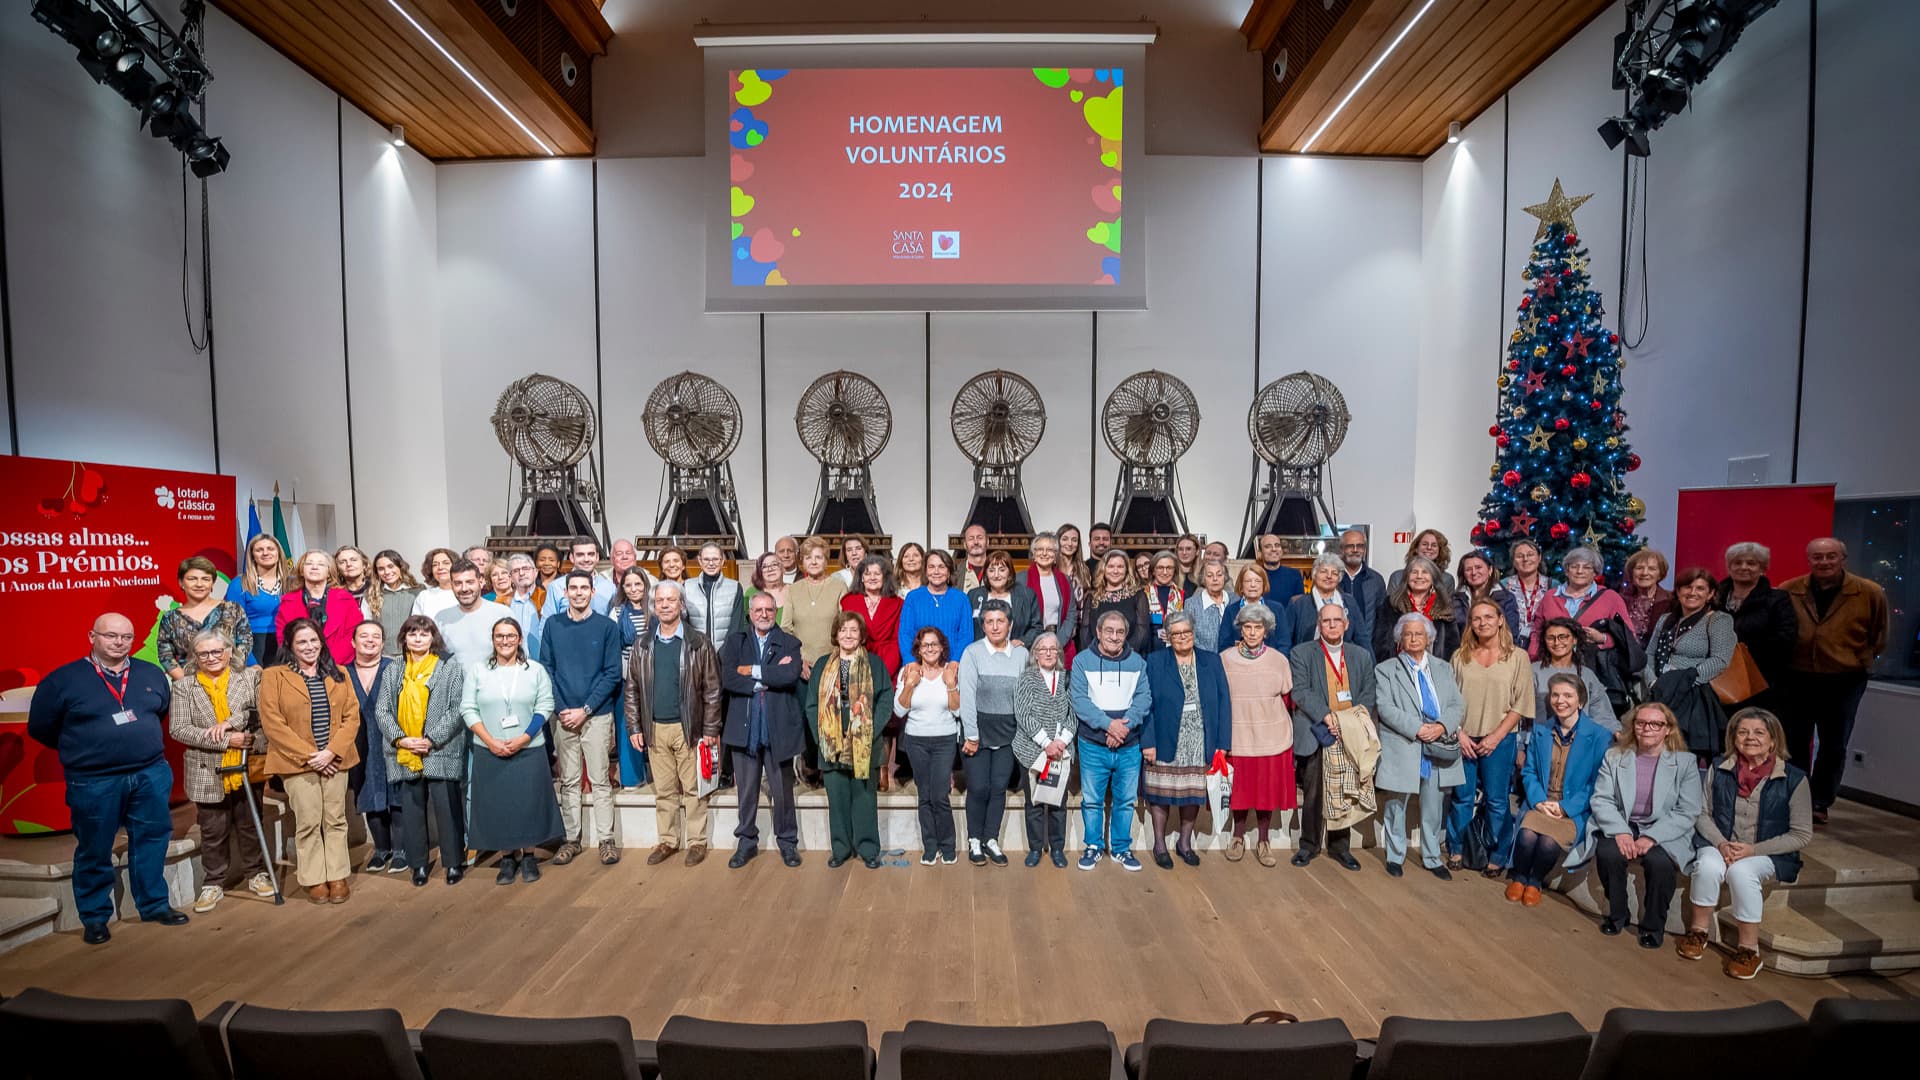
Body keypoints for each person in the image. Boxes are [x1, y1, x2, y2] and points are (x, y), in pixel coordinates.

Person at [30, 614, 188, 943]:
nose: (119, 643)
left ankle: (155, 904)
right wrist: (89, 748)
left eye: (127, 637)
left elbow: (158, 711)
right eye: (111, 636)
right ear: (92, 636)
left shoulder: (150, 674)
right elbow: (42, 727)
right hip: (94, 780)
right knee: (94, 847)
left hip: (149, 773)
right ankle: (95, 916)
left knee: (152, 840)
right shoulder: (63, 680)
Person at [1678, 707, 1813, 979]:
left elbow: (1801, 835)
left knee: (1742, 872)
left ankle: (1749, 950)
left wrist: (1753, 850)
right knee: (1706, 866)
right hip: (1721, 843)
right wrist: (1720, 843)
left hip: (1767, 852)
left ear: (1773, 740)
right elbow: (1701, 813)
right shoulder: (1720, 767)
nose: (1750, 737)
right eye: (1743, 732)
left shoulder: (1795, 779)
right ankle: (1698, 932)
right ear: (1733, 737)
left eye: (1759, 732)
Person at [1781, 537, 1889, 824]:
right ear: (1809, 560)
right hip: (1798, 677)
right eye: (1818, 557)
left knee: (1834, 743)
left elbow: (1879, 636)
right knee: (1795, 741)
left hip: (1845, 680)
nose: (1824, 562)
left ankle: (1820, 800)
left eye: (1830, 556)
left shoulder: (1868, 592)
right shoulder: (1790, 590)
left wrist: (1857, 661)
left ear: (1843, 558)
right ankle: (1797, 799)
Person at [257, 618, 361, 906]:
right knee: (308, 821)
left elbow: (352, 716)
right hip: (297, 763)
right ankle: (315, 878)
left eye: (314, 640)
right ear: (289, 645)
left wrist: (331, 752)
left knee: (336, 819)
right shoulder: (273, 676)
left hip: (335, 760)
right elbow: (273, 724)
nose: (310, 646)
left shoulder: (339, 673)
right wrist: (311, 757)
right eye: (302, 641)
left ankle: (338, 874)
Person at [170, 631, 273, 912]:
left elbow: (256, 712)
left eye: (217, 652)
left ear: (229, 652)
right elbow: (179, 729)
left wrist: (229, 723)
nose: (211, 658)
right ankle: (213, 882)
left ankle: (256, 873)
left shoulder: (249, 678)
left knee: (250, 822)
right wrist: (227, 739)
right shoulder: (183, 687)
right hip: (206, 767)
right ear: (195, 657)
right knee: (213, 829)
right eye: (203, 654)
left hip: (245, 762)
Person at [625, 580, 723, 868]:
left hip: (688, 728)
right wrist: (634, 726)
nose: (665, 605)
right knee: (664, 790)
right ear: (653, 607)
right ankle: (668, 840)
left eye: (671, 600)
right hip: (655, 728)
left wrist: (710, 730)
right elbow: (631, 688)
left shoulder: (698, 643)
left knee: (694, 789)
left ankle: (696, 842)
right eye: (660, 601)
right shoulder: (642, 644)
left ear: (682, 604)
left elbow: (713, 690)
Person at [1589, 702, 1701, 949]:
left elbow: (1688, 810)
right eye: (1641, 723)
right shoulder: (1615, 756)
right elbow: (1602, 798)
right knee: (1608, 853)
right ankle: (1618, 914)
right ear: (1633, 726)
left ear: (1668, 729)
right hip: (1624, 822)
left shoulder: (1685, 763)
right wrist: (1620, 831)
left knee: (1659, 863)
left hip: (1665, 828)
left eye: (1655, 724)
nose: (1647, 729)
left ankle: (1653, 926)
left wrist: (1651, 838)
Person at [463, 617, 562, 885]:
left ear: (519, 639)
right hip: (489, 747)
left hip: (528, 747)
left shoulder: (535, 670)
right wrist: (490, 739)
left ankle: (528, 855)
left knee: (527, 803)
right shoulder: (479, 670)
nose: (505, 641)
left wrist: (524, 737)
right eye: (499, 636)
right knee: (500, 805)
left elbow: (545, 704)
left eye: (510, 636)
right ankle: (507, 858)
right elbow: (468, 708)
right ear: (493, 640)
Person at [538, 571, 623, 867]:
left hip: (596, 714)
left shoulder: (606, 627)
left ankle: (606, 840)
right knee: (570, 781)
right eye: (572, 588)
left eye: (583, 588)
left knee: (600, 780)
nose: (577, 593)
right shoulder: (552, 625)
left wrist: (585, 709)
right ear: (564, 593)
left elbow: (613, 673)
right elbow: (546, 670)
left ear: (592, 591)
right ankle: (571, 839)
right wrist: (563, 709)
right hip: (563, 715)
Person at [374, 616, 468, 886]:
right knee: (412, 811)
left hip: (440, 748)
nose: (417, 639)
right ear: (403, 638)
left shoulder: (449, 668)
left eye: (423, 634)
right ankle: (419, 866)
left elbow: (456, 708)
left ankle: (453, 863)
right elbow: (383, 710)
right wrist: (401, 739)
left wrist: (430, 739)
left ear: (433, 638)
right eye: (412, 634)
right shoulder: (393, 670)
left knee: (447, 809)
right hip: (405, 750)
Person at [1449, 599, 1536, 878]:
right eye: (1476, 618)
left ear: (1500, 620)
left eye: (1488, 616)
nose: (1482, 622)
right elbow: (1448, 700)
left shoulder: (1517, 657)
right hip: (1463, 736)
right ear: (1470, 624)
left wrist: (1496, 737)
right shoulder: (1460, 656)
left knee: (1497, 800)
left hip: (1500, 738)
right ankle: (1457, 848)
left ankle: (1497, 855)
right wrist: (1459, 733)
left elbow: (1521, 704)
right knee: (1461, 797)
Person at [1505, 673, 1610, 907]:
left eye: (1567, 695)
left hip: (1573, 809)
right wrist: (1539, 801)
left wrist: (1564, 808)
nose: (1560, 700)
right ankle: (1520, 877)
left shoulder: (1600, 736)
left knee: (1548, 843)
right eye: (1555, 695)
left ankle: (1534, 881)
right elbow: (1529, 772)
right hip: (1542, 801)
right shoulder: (1542, 732)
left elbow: (1597, 783)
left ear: (1580, 701)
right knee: (1526, 836)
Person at [1375, 613, 1465, 880]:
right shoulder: (1386, 669)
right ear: (1400, 639)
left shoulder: (1443, 667)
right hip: (1405, 742)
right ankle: (1394, 856)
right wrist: (1418, 728)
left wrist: (1440, 726)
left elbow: (1456, 705)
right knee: (1396, 804)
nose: (1413, 638)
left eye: (1419, 634)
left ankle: (1432, 857)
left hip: (1437, 742)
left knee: (1433, 804)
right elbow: (1385, 707)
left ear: (1429, 638)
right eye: (1408, 634)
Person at [719, 591, 806, 868]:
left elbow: (789, 675)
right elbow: (729, 678)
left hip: (777, 730)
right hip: (745, 731)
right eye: (758, 610)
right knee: (746, 792)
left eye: (769, 610)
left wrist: (752, 671)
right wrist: (766, 677)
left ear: (776, 612)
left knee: (782, 792)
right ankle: (746, 842)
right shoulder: (735, 642)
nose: (764, 614)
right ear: (750, 613)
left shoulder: (789, 642)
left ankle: (788, 843)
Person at [1287, 604, 1376, 871]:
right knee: (1314, 792)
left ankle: (1340, 847)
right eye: (1327, 621)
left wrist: (1351, 722)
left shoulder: (1361, 656)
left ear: (1347, 624)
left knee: (1344, 791)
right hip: (1318, 729)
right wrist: (1329, 718)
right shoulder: (1301, 653)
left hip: (1350, 731)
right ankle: (1309, 845)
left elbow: (1368, 692)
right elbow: (1301, 691)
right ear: (1319, 624)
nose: (1333, 625)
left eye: (1338, 620)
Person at [1141, 611, 1231, 869]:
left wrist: (1223, 744)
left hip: (1200, 739)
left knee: (1192, 795)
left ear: (1194, 633)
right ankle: (1159, 844)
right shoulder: (1155, 661)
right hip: (1165, 737)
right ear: (1168, 637)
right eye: (1176, 634)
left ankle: (1184, 843)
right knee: (1161, 794)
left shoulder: (1211, 661)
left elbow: (1225, 702)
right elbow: (1145, 705)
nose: (1182, 637)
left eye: (1186, 632)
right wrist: (1147, 741)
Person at [808, 611, 893, 869]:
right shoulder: (822, 665)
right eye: (843, 630)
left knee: (865, 799)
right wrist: (822, 737)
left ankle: (868, 849)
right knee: (838, 800)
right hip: (831, 746)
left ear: (861, 635)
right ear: (835, 634)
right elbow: (812, 705)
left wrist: (868, 730)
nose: (848, 635)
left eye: (854, 630)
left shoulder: (875, 665)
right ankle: (841, 849)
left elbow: (885, 702)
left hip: (865, 744)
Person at [1071, 610, 1151, 872]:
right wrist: (1109, 726)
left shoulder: (1137, 662)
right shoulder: (1082, 661)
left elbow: (1143, 699)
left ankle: (1121, 848)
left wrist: (1122, 729)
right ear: (1098, 632)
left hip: (1128, 745)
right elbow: (1080, 702)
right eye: (1109, 631)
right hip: (1093, 743)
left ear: (1126, 635)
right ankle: (1093, 846)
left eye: (1119, 632)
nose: (1114, 637)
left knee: (1126, 800)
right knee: (1092, 800)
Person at [1219, 604, 1295, 866]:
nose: (1252, 633)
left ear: (1267, 631)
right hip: (1239, 735)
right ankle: (1237, 837)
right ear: (1240, 629)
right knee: (1240, 791)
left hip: (1271, 735)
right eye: (1247, 627)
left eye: (1258, 628)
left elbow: (1286, 697)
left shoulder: (1278, 660)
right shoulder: (1225, 658)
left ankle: (1263, 840)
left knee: (1265, 792)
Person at [958, 601, 1030, 866]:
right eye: (990, 621)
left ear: (1010, 624)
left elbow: (1024, 698)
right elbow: (966, 696)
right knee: (978, 787)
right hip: (978, 733)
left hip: (1009, 735)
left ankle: (991, 838)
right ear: (983, 625)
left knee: (999, 788)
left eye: (1001, 621)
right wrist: (972, 734)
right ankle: (974, 839)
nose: (996, 626)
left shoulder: (1021, 655)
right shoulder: (972, 652)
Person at [1531, 547, 1637, 717]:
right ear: (1566, 570)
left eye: (1587, 567)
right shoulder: (1551, 597)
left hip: (1593, 669)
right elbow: (1537, 629)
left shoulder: (1610, 598)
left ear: (1595, 572)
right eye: (1574, 566)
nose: (1579, 571)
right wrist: (1534, 657)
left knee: (1587, 717)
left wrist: (1602, 638)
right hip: (1553, 667)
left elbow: (1628, 636)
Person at [1644, 568, 1737, 761]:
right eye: (1687, 587)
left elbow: (1720, 660)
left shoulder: (1718, 620)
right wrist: (1653, 682)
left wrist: (1682, 682)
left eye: (1700, 588)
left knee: (1684, 758)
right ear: (1678, 591)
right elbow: (1649, 654)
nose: (1692, 593)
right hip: (1660, 692)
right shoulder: (1666, 619)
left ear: (1710, 594)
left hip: (1693, 697)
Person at [895, 626, 961, 865]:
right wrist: (910, 684)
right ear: (918, 649)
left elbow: (958, 710)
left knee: (940, 795)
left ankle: (948, 845)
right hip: (917, 740)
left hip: (944, 739)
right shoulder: (909, 672)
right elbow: (899, 710)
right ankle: (930, 846)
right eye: (925, 645)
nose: (930, 649)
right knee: (925, 795)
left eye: (934, 644)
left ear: (942, 648)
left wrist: (951, 684)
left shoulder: (950, 673)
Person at [345, 620, 402, 876]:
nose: (370, 640)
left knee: (398, 796)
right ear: (353, 642)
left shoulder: (395, 668)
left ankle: (402, 850)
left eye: (376, 636)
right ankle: (382, 850)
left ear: (383, 642)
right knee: (368, 795)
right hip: (359, 745)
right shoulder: (342, 674)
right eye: (364, 636)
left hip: (392, 742)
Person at [1013, 632, 1075, 868]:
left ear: (1058, 653)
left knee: (1059, 802)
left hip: (1061, 751)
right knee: (1035, 803)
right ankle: (1035, 848)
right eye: (1043, 649)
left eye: (1053, 649)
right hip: (1032, 751)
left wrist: (1060, 742)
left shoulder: (1066, 678)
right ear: (1035, 654)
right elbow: (1023, 714)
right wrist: (1045, 743)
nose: (1048, 653)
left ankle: (1057, 849)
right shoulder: (1026, 679)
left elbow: (1074, 714)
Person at [1714, 542, 1798, 715]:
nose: (1744, 567)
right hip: (1717, 681)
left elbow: (1785, 639)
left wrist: (1742, 650)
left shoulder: (1777, 600)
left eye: (1751, 563)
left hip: (1761, 685)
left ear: (1762, 568)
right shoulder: (1714, 598)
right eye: (1737, 563)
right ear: (1729, 567)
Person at [157, 556, 251, 679]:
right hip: (189, 686)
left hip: (230, 681)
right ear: (181, 582)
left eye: (206, 579)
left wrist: (228, 676)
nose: (199, 584)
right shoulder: (170, 618)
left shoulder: (232, 609)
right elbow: (165, 655)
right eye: (192, 579)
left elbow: (245, 642)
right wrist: (187, 683)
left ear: (212, 583)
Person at [1533, 616, 1619, 733]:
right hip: (1539, 739)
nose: (1557, 642)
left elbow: (1601, 714)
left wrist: (1618, 734)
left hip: (1579, 741)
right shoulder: (1532, 671)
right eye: (1551, 638)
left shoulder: (1587, 675)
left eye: (1563, 637)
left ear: (1574, 639)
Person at [276, 549, 361, 665]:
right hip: (300, 666)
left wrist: (328, 662)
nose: (314, 567)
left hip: (338, 665)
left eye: (321, 564)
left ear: (329, 571)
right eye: (309, 563)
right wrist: (305, 662)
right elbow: (283, 638)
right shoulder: (288, 601)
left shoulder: (345, 599)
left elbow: (353, 635)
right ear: (301, 570)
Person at [610, 566, 653, 789]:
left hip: (655, 677)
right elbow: (612, 647)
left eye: (638, 584)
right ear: (623, 588)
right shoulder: (617, 612)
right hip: (627, 678)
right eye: (629, 585)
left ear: (646, 586)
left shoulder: (655, 610)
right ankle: (631, 778)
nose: (634, 588)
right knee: (628, 727)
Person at [432, 560, 513, 672]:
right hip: (455, 688)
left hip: (495, 687)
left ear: (480, 582)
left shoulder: (502, 614)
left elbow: (520, 655)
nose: (464, 589)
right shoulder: (441, 618)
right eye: (458, 583)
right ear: (452, 585)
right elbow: (435, 660)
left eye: (470, 582)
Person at [1376, 556, 1460, 662]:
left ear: (1433, 578)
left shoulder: (1444, 605)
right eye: (1414, 572)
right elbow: (1381, 642)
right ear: (1407, 577)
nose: (1419, 576)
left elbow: (1452, 645)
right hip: (1397, 668)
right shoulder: (1392, 603)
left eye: (1425, 572)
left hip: (1435, 669)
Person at [788, 537, 850, 679]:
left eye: (818, 557)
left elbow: (845, 625)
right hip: (801, 666)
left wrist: (838, 658)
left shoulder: (839, 587)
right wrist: (798, 660)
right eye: (808, 558)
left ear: (826, 561)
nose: (813, 562)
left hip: (834, 663)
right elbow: (786, 628)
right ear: (802, 562)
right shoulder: (793, 590)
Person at [898, 549, 973, 663]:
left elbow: (966, 636)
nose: (936, 571)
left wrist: (955, 661)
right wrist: (910, 661)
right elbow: (905, 634)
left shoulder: (961, 599)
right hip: (919, 664)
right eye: (931, 567)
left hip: (953, 664)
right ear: (926, 571)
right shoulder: (913, 598)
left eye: (941, 567)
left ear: (949, 571)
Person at [230, 534, 290, 666]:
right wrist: (250, 661)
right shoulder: (240, 584)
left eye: (270, 548)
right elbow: (232, 626)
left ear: (279, 553)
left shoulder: (292, 583)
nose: (265, 553)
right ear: (252, 556)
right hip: (252, 646)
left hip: (287, 645)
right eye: (259, 550)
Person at [1080, 550, 1152, 657]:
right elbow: (1085, 632)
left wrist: (1123, 653)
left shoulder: (1138, 595)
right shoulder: (1092, 597)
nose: (1115, 571)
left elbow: (1142, 630)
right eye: (1111, 566)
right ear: (1103, 569)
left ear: (1127, 570)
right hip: (1097, 657)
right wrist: (1097, 653)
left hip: (1129, 656)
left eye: (1120, 567)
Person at [968, 550, 1040, 647]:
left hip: (1014, 653)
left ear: (1009, 573)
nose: (996, 575)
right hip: (981, 655)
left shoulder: (1027, 595)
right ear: (986, 573)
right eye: (992, 570)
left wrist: (1023, 641)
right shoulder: (974, 595)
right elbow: (966, 628)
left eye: (1002, 570)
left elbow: (1037, 627)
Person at [1500, 538, 1557, 652]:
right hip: (1509, 646)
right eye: (1520, 556)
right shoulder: (1503, 586)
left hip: (1544, 647)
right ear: (1513, 561)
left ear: (1539, 558)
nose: (1525, 559)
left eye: (1530, 554)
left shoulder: (1553, 585)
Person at [1222, 562, 1292, 652]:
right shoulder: (1230, 611)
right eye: (1248, 581)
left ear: (1264, 585)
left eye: (1257, 581)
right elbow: (1224, 646)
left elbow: (1284, 644)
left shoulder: (1277, 609)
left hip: (1271, 663)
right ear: (1241, 586)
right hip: (1238, 664)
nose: (1253, 585)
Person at [685, 542, 747, 645]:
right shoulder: (687, 587)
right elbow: (684, 624)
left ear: (722, 561)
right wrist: (697, 650)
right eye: (706, 559)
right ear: (700, 561)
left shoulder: (735, 587)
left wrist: (725, 653)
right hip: (696, 653)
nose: (711, 563)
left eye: (715, 559)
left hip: (725, 655)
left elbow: (736, 626)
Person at [1337, 529, 1387, 652]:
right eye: (1350, 546)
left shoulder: (1376, 580)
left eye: (1360, 546)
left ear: (1364, 549)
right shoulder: (1332, 578)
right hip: (1336, 646)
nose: (1355, 550)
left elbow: (1382, 619)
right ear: (1342, 549)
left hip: (1367, 648)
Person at [541, 536, 617, 617]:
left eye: (590, 554)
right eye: (580, 555)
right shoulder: (556, 587)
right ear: (571, 557)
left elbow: (614, 623)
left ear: (597, 557)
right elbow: (546, 625)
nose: (586, 559)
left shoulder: (610, 588)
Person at [1455, 551, 1521, 640]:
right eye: (1468, 569)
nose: (1474, 572)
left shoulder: (1506, 598)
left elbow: (1511, 633)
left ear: (1490, 570)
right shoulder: (1455, 599)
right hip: (1464, 650)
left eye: (1478, 567)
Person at [1287, 553, 1349, 648]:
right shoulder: (1298, 603)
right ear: (1314, 575)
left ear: (1339, 578)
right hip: (1306, 659)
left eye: (1334, 573)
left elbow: (1362, 637)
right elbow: (1287, 639)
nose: (1329, 576)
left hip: (1344, 659)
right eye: (1324, 572)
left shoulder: (1349, 602)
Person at [372, 550, 422, 657]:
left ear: (400, 567)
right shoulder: (371, 595)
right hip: (382, 656)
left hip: (412, 654)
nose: (386, 572)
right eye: (381, 569)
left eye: (391, 566)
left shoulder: (418, 592)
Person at [1622, 549, 1673, 647]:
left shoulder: (1671, 601)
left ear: (1660, 574)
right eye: (1639, 568)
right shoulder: (1620, 599)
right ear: (1632, 573)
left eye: (1652, 569)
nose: (1645, 573)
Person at [501, 553, 546, 659]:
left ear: (535, 572)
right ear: (510, 577)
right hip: (512, 663)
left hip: (542, 662)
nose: (521, 573)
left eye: (526, 568)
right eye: (516, 571)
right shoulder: (501, 602)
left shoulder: (546, 598)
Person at [1388, 530, 1457, 595]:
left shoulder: (1447, 579)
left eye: (1434, 545)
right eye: (1424, 544)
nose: (1429, 547)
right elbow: (1389, 606)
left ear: (1440, 551)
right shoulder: (1397, 577)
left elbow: (1448, 606)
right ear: (1416, 549)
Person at [1143, 551, 1187, 650]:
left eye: (1169, 568)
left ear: (1174, 571)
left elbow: (1188, 625)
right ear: (1153, 571)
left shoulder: (1182, 595)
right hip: (1149, 649)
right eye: (1160, 568)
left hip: (1177, 648)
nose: (1165, 572)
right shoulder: (1142, 594)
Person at [1187, 559, 1233, 653]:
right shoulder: (1191, 604)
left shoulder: (1235, 600)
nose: (1215, 579)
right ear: (1203, 579)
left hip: (1233, 659)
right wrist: (1209, 658)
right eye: (1209, 575)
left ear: (1225, 577)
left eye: (1219, 575)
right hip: (1203, 659)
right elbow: (1190, 635)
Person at [744, 553, 792, 628]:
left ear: (783, 568)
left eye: (774, 564)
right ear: (760, 572)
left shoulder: (794, 590)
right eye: (764, 567)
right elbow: (743, 624)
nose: (770, 569)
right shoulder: (751, 592)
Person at [410, 547, 459, 619]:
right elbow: (416, 626)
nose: (440, 567)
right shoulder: (424, 596)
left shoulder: (464, 593)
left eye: (446, 563)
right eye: (435, 564)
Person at [1256, 533, 1306, 602]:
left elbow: (1299, 605)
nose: (1274, 549)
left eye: (1277, 545)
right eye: (1268, 546)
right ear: (1260, 552)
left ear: (1282, 550)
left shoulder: (1294, 575)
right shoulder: (1255, 575)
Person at [336, 545, 378, 617]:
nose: (349, 564)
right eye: (342, 562)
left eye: (353, 560)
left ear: (364, 564)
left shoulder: (377, 588)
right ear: (337, 569)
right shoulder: (334, 594)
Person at [1056, 524, 1092, 600]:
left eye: (1074, 540)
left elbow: (1087, 601)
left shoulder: (1084, 570)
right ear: (1058, 541)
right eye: (1065, 539)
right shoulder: (1051, 568)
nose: (1070, 544)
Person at [958, 523, 990, 591]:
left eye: (980, 538)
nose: (976, 542)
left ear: (987, 542)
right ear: (964, 544)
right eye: (971, 538)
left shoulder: (1000, 572)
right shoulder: (955, 574)